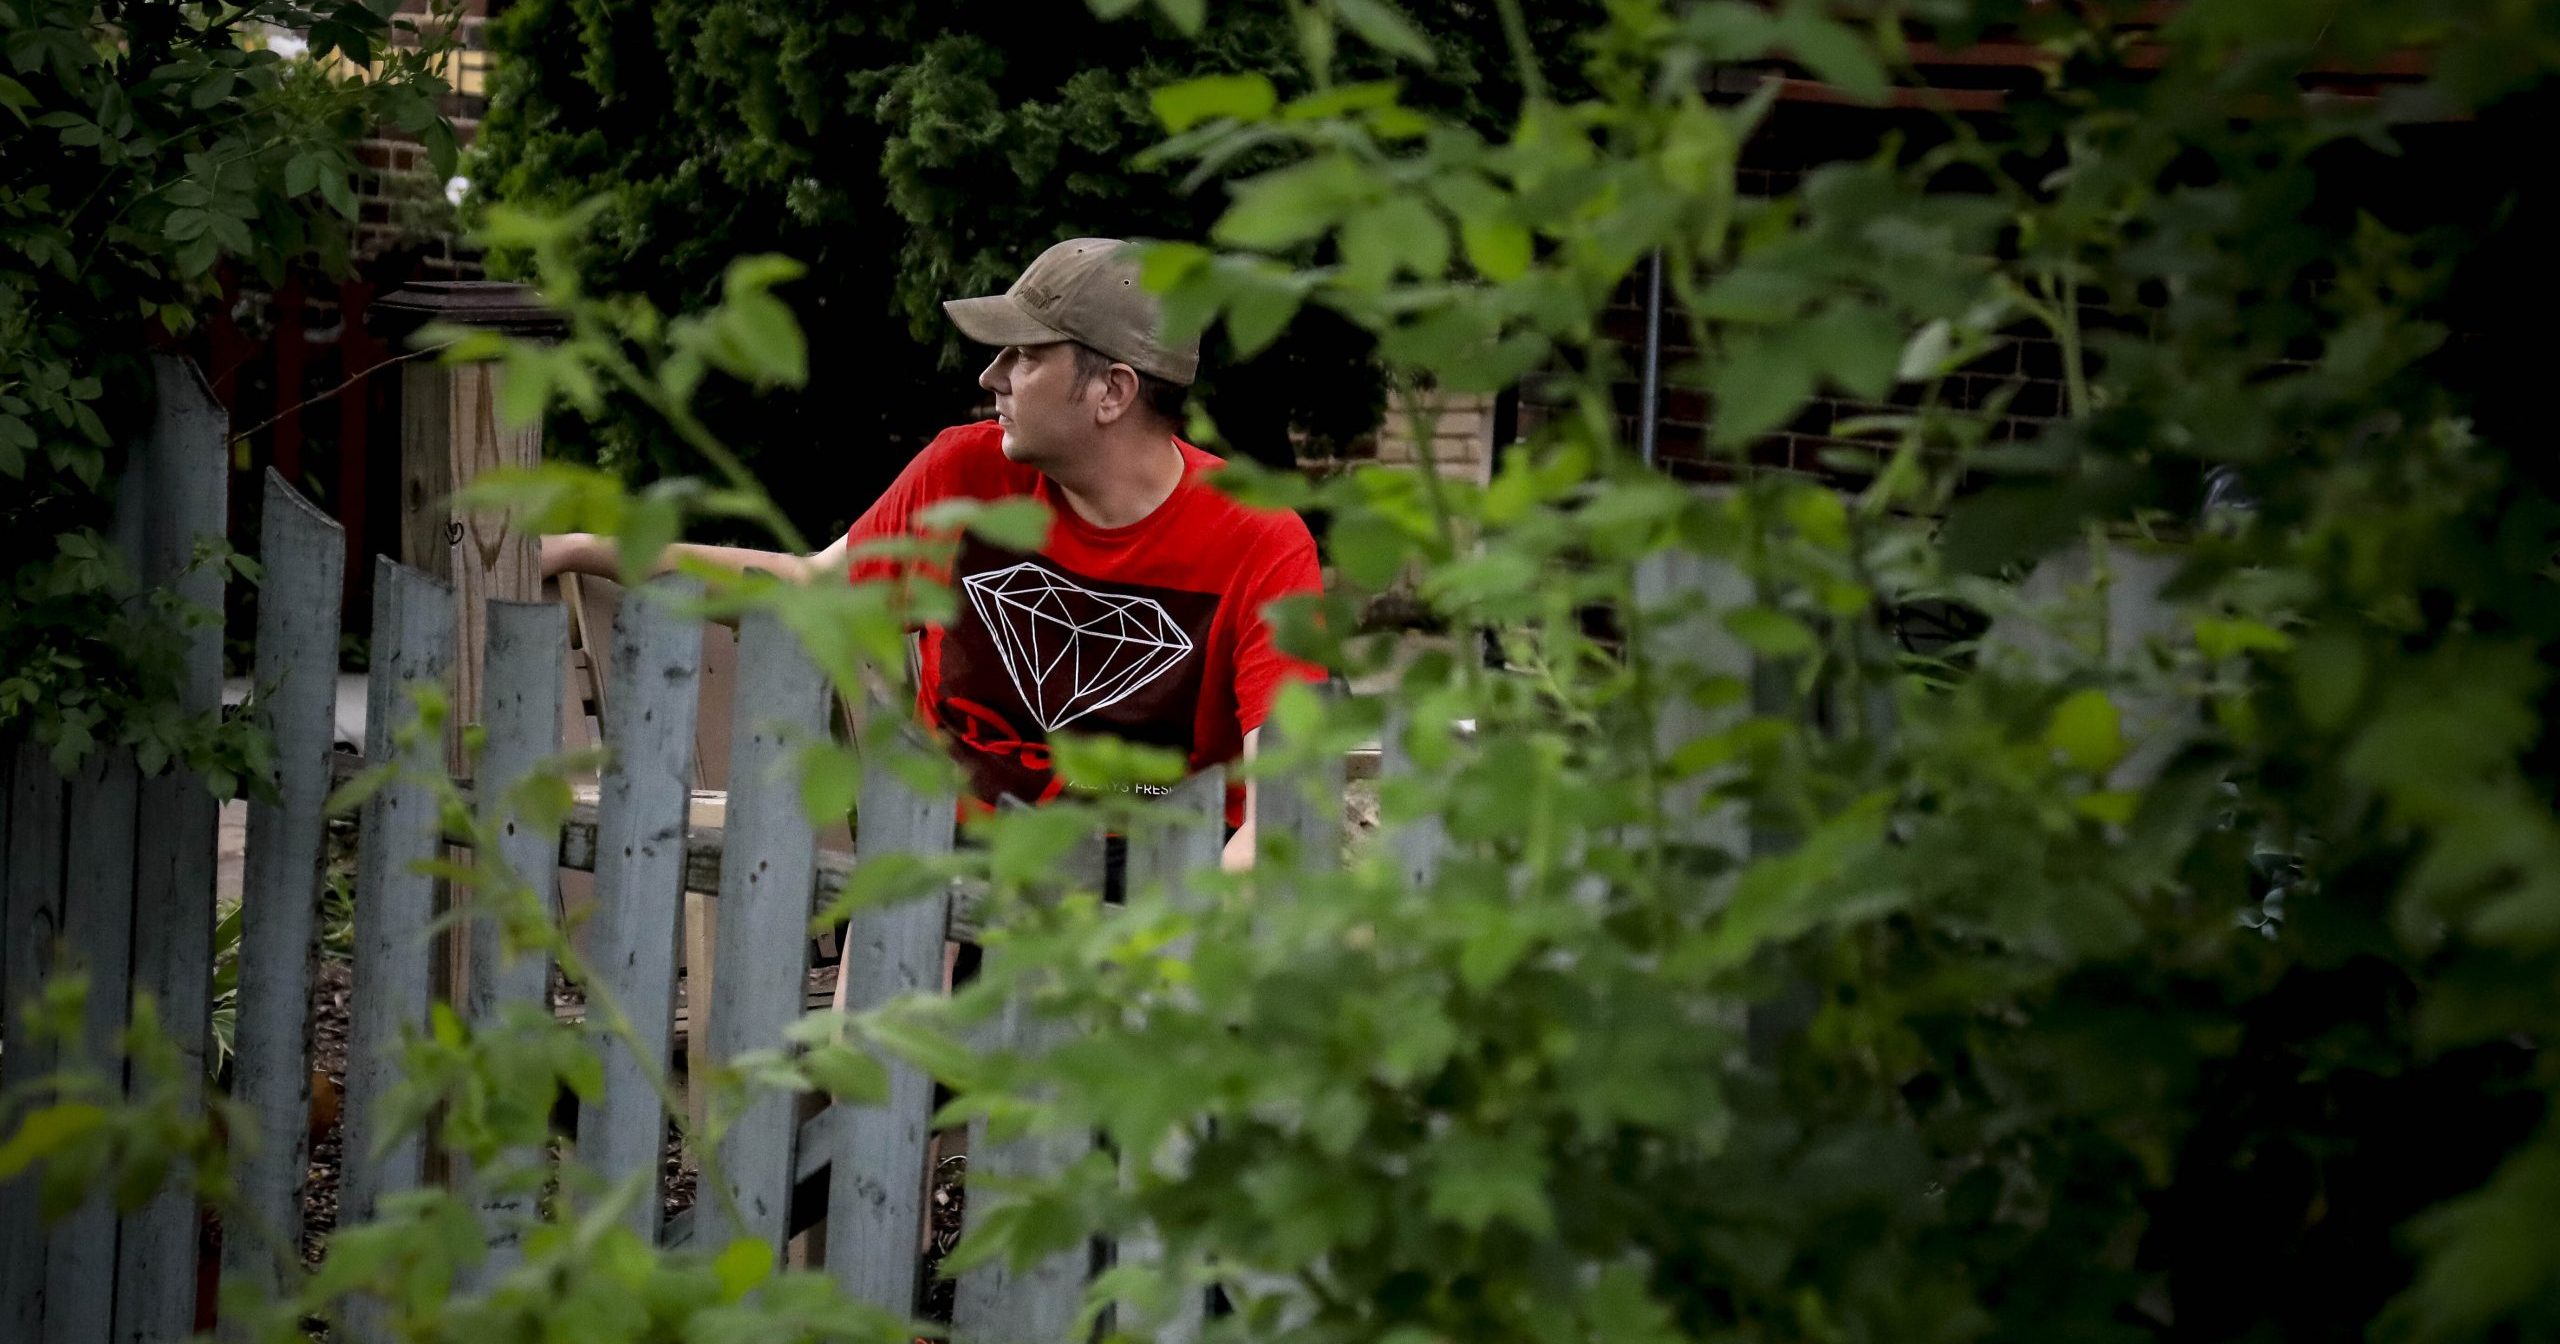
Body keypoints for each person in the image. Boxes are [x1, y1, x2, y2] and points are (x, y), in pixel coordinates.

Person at [540, 237, 1326, 873]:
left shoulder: (1257, 540)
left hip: (1154, 873)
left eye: (1023, 356)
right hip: (957, 860)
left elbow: (1277, 810)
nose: (992, 377)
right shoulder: (966, 475)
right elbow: (809, 585)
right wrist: (583, 547)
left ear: (1112, 392)